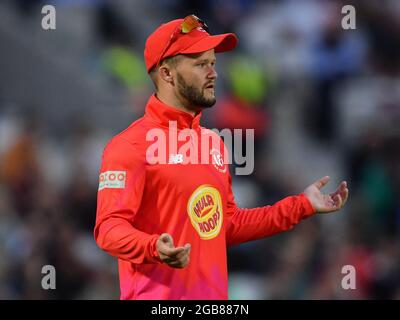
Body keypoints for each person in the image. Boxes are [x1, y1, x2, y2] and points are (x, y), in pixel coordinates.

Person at [94, 15, 349, 300]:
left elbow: (225, 225)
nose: (213, 73)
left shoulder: (213, 142)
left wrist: (300, 206)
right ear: (167, 74)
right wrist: (154, 247)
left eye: (213, 63)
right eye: (201, 64)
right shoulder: (129, 145)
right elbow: (108, 228)